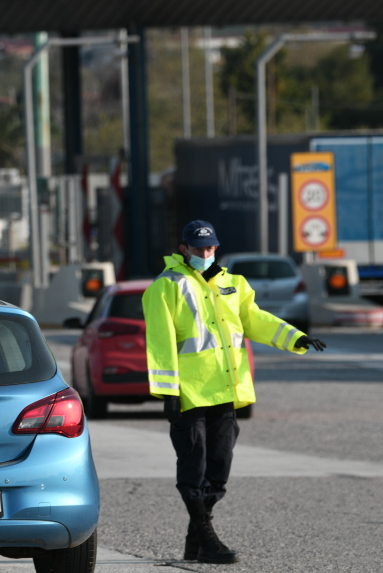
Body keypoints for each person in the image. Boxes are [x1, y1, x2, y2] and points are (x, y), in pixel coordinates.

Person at [142, 220, 326, 565]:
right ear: (183, 249)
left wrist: (295, 337)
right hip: (190, 394)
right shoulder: (165, 288)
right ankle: (206, 537)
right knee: (193, 466)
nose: (205, 254)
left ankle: (194, 539)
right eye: (198, 249)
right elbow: (160, 343)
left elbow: (255, 319)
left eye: (210, 248)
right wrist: (168, 392)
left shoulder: (233, 284)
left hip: (225, 390)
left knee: (220, 467)